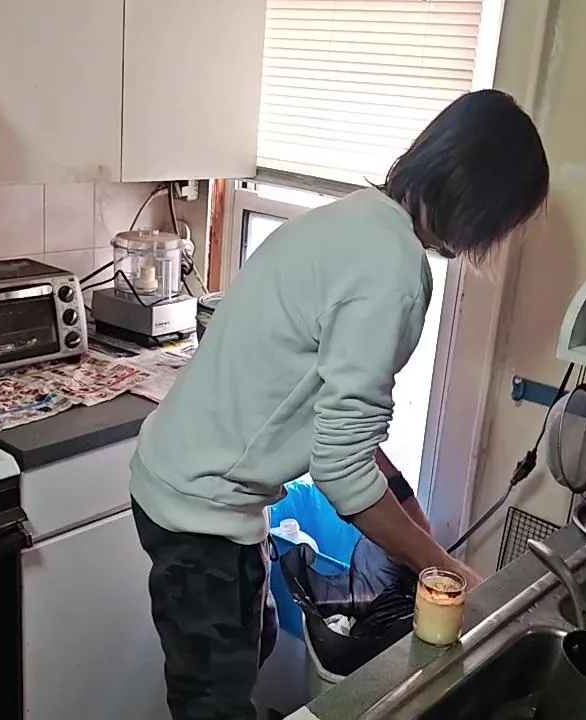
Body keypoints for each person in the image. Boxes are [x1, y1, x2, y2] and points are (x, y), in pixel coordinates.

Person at [129, 88, 550, 720]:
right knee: (213, 701)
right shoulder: (393, 273)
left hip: (195, 487)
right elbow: (340, 470)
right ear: (484, 204)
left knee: (254, 642)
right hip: (199, 508)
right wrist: (443, 568)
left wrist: (403, 500)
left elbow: (338, 417)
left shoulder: (357, 218)